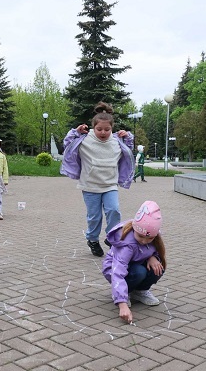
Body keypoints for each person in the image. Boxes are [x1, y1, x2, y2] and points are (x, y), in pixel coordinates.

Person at [61, 101, 134, 257]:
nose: (103, 132)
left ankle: (112, 235)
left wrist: (127, 137)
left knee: (114, 210)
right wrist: (75, 132)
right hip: (90, 186)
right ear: (93, 127)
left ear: (112, 128)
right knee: (95, 217)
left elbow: (129, 149)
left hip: (110, 185)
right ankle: (93, 239)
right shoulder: (84, 139)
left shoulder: (116, 141)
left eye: (107, 129)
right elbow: (67, 144)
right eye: (99, 129)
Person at [102, 201, 166, 324]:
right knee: (139, 272)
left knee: (158, 267)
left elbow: (150, 250)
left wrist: (152, 257)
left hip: (133, 265)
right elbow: (117, 272)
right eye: (140, 236)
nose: (144, 241)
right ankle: (123, 294)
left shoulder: (153, 239)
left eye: (149, 238)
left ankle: (140, 291)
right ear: (135, 228)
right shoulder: (127, 244)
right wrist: (122, 304)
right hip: (113, 269)